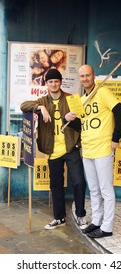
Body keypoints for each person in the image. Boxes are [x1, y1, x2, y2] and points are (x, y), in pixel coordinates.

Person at [20, 69, 87, 230]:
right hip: (52, 150)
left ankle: (80, 215)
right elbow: (23, 106)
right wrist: (40, 108)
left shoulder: (71, 98)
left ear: (60, 82)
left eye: (56, 81)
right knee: (56, 185)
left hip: (71, 147)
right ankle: (59, 217)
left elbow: (83, 120)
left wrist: (73, 119)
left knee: (79, 182)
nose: (54, 84)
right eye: (50, 82)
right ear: (47, 84)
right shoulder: (42, 100)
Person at [64, 64, 121, 238]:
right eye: (82, 76)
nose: (85, 79)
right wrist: (68, 118)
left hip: (103, 148)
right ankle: (97, 221)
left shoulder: (103, 92)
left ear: (94, 76)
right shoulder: (82, 100)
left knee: (106, 189)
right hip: (87, 149)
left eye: (88, 75)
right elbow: (81, 124)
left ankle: (107, 227)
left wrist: (115, 139)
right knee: (94, 190)